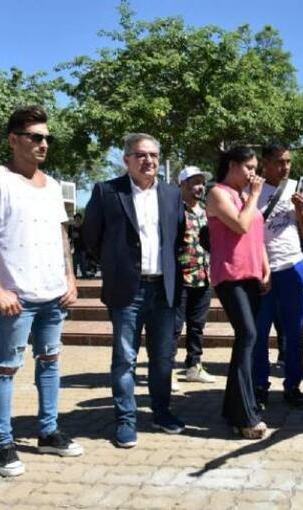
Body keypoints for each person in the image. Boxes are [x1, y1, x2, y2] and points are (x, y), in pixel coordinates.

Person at [0, 105, 83, 477]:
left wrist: (71, 278)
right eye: (36, 137)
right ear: (14, 140)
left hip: (53, 295)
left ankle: (48, 432)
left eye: (47, 137)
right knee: (6, 367)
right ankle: (3, 444)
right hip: (15, 298)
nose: (43, 143)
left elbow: (62, 235)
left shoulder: (53, 186)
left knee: (49, 363)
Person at [83, 133, 187, 448]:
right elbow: (91, 238)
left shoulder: (172, 194)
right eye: (141, 155)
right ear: (126, 159)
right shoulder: (106, 192)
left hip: (164, 289)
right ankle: (126, 421)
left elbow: (179, 238)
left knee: (162, 358)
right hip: (127, 290)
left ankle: (161, 412)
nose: (149, 161)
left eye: (154, 155)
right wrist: (117, 265)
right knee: (125, 359)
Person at [206, 146, 269, 439]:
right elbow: (241, 226)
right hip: (230, 275)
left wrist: (265, 265)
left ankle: (234, 408)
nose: (253, 174)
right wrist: (255, 196)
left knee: (248, 338)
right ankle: (245, 412)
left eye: (255, 168)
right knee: (248, 335)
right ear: (232, 165)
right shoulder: (218, 193)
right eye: (249, 167)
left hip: (252, 273)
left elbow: (257, 232)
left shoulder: (245, 196)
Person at [252, 144, 303, 409]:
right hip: (260, 271)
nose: (285, 167)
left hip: (292, 266)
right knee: (259, 332)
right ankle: (259, 386)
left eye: (288, 161)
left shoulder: (297, 188)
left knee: (295, 331)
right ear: (265, 163)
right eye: (279, 162)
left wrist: (300, 210)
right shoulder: (251, 188)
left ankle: (293, 386)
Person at [172, 165, 215, 385]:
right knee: (174, 328)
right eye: (195, 182)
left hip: (204, 276)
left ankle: (194, 367)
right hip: (180, 278)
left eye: (202, 182)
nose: (200, 187)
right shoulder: (174, 210)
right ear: (183, 185)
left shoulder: (208, 210)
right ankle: (166, 371)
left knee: (197, 326)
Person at [69, 213, 89, 279]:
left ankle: (84, 275)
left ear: (81, 219)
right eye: (76, 219)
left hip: (83, 248)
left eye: (79, 219)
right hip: (74, 248)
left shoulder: (84, 227)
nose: (77, 220)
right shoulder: (71, 228)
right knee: (74, 264)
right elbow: (69, 237)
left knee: (83, 264)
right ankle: (74, 276)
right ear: (74, 219)